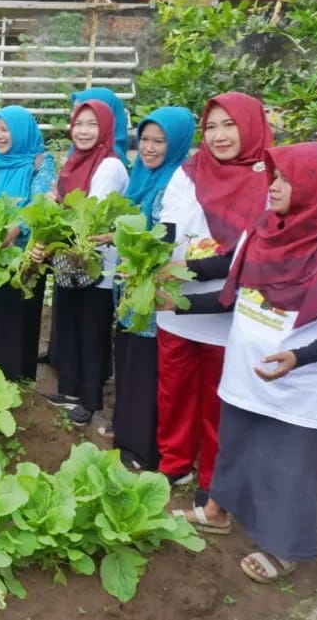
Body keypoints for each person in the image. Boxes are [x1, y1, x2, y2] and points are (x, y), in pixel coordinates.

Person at [168, 142, 317, 585]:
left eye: (285, 179)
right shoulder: (263, 230)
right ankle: (217, 510)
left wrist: (300, 356)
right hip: (246, 365)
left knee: (287, 461)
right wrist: (172, 302)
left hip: (300, 379)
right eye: (272, 176)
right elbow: (230, 295)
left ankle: (283, 547)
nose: (272, 186)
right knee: (234, 441)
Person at [154, 92, 272, 498]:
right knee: (174, 389)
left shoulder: (267, 180)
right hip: (172, 302)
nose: (219, 136)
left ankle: (214, 479)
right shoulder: (187, 172)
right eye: (211, 127)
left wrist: (182, 269)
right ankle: (174, 463)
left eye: (230, 125)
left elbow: (244, 255)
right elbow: (166, 229)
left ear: (252, 126)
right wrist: (147, 259)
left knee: (219, 399)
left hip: (224, 309)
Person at [109, 107, 194, 470]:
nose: (149, 148)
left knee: (146, 369)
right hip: (130, 287)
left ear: (175, 144)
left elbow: (166, 238)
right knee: (127, 361)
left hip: (152, 290)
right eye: (144, 139)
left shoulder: (177, 181)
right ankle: (125, 437)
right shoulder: (140, 175)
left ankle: (143, 449)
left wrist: (119, 239)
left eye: (160, 141)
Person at [37, 100, 128, 426]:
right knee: (70, 323)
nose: (84, 131)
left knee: (92, 330)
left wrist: (57, 205)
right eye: (79, 124)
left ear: (104, 127)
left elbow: (90, 213)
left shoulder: (109, 166)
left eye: (92, 124)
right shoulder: (76, 162)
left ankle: (90, 400)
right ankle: (70, 389)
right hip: (70, 261)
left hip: (95, 265)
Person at [0, 105, 56, 381]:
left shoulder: (40, 162)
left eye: (5, 130)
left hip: (28, 253)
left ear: (20, 132)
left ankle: (18, 374)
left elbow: (38, 203)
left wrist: (17, 228)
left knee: (22, 311)